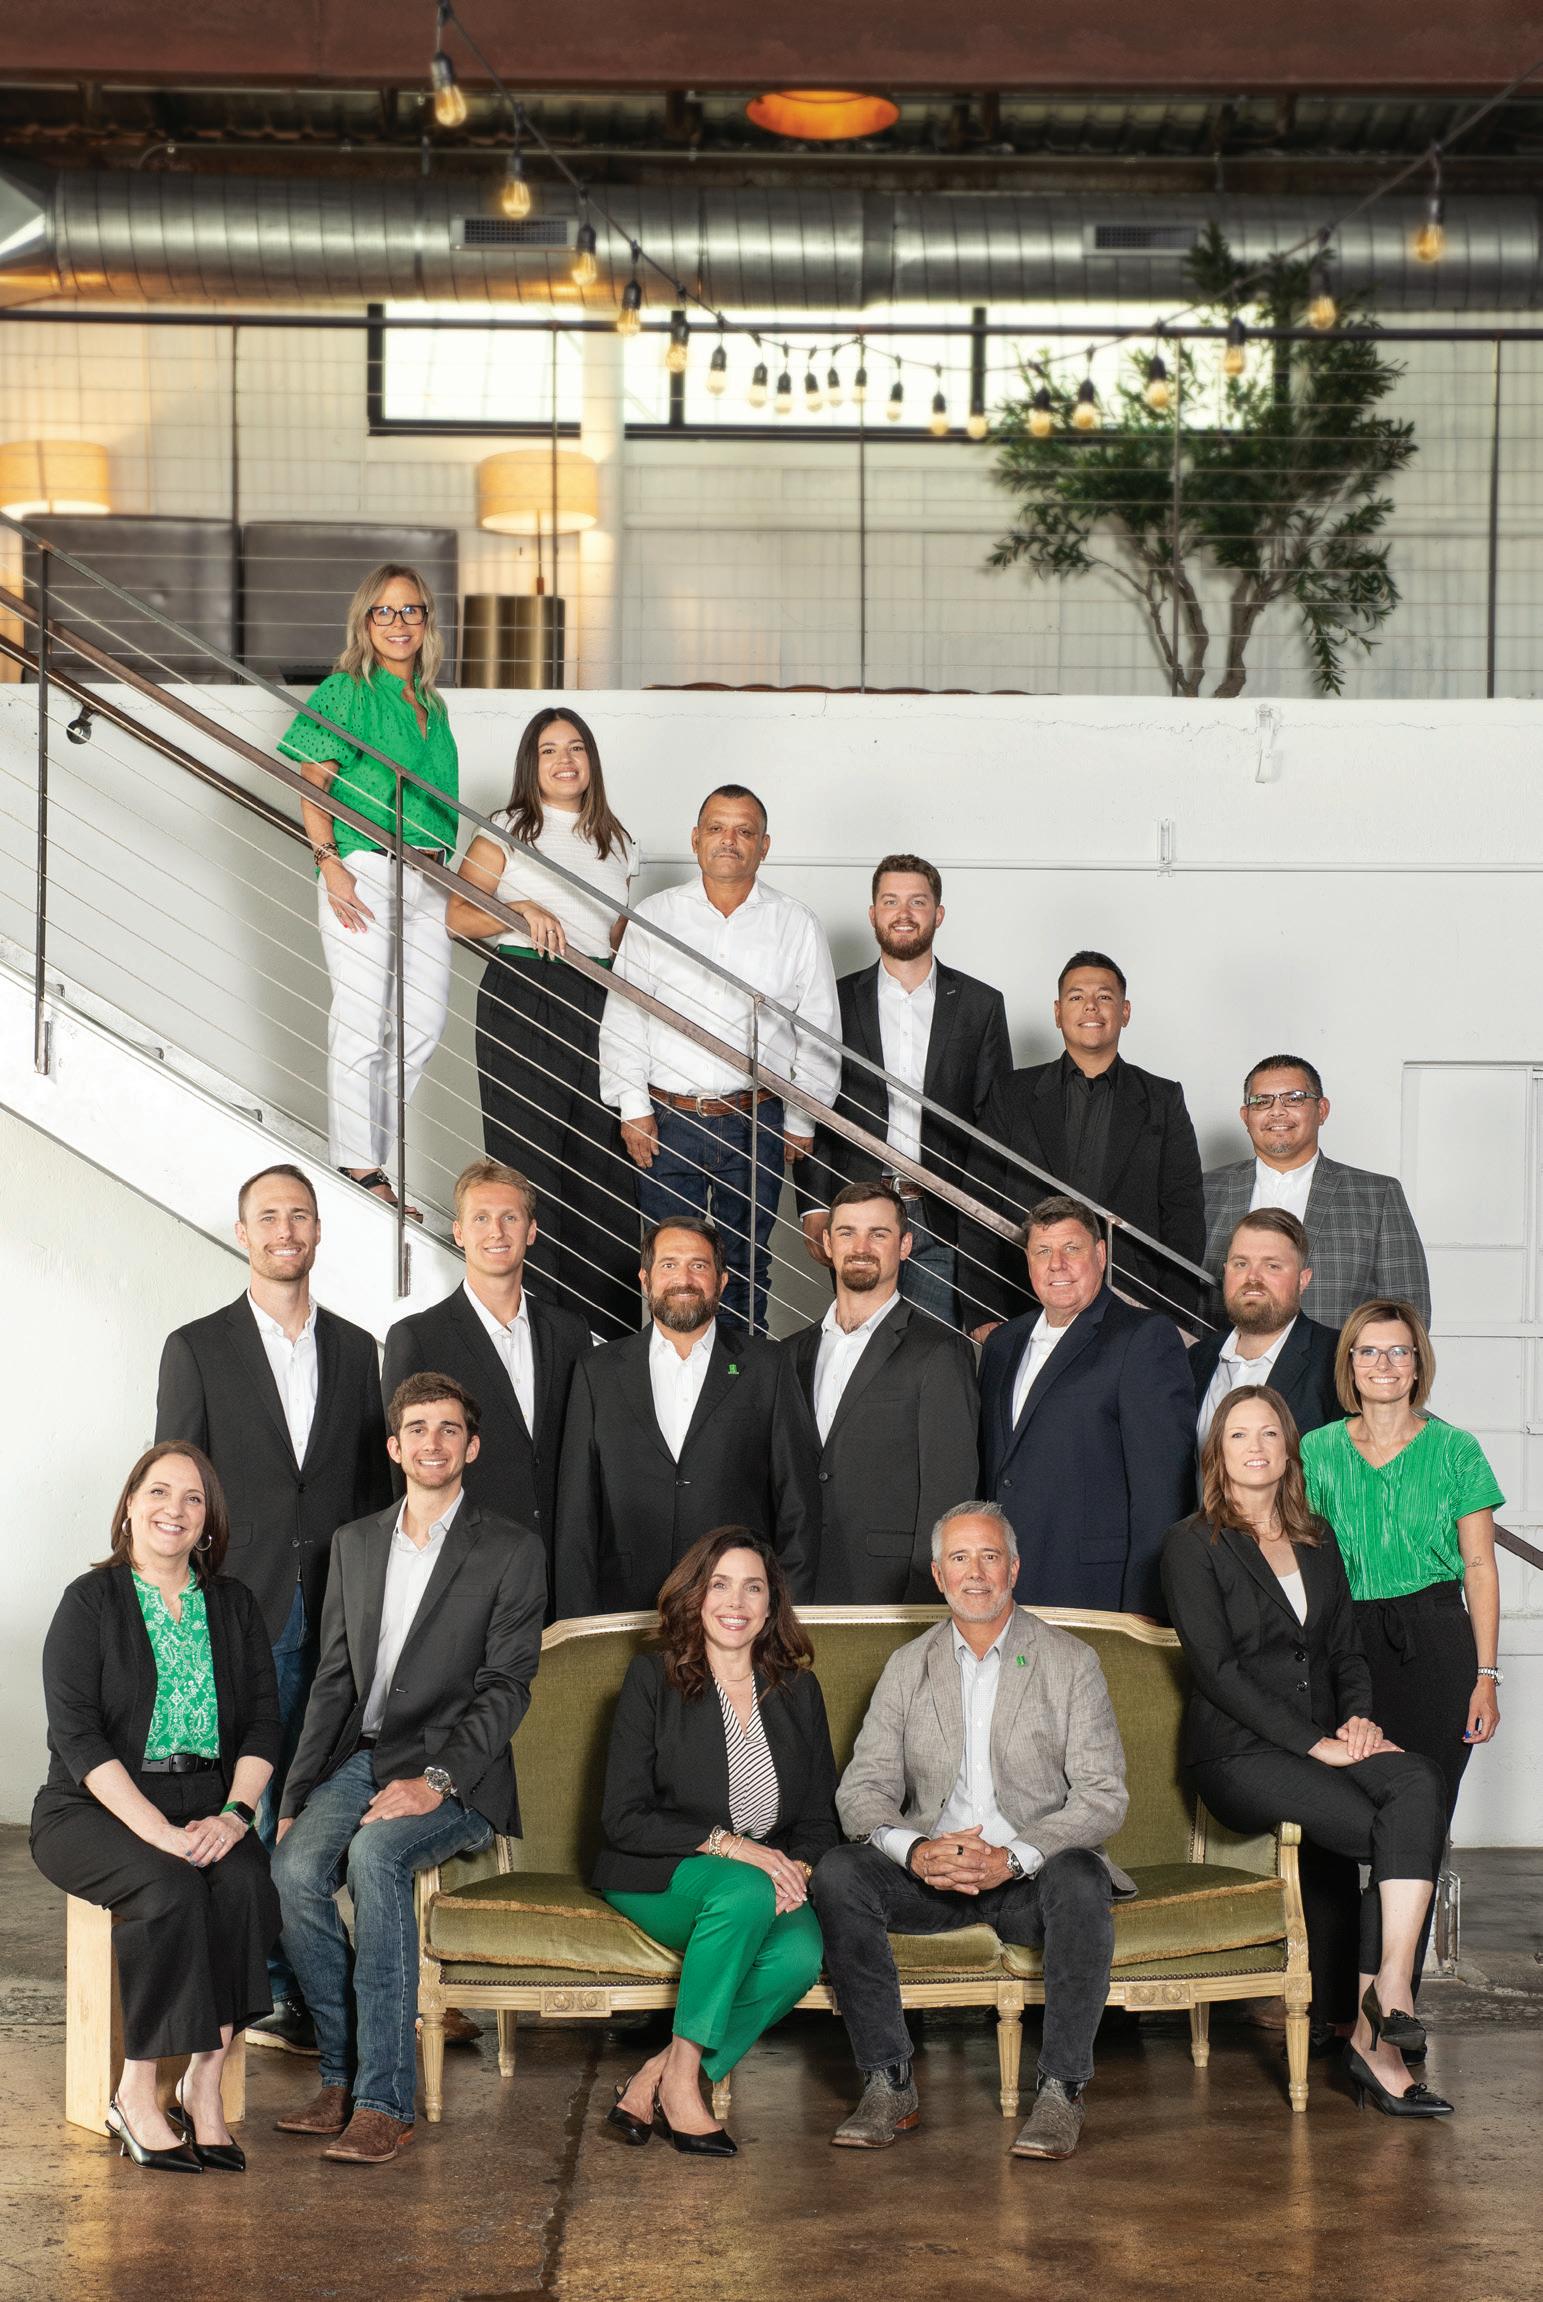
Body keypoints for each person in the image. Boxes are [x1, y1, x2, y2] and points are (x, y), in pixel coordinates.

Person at [271, 1373, 545, 2166]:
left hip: (460, 1770)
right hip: (362, 1757)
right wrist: (293, 1797)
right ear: (394, 1447)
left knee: (374, 1856)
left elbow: (506, 1687)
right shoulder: (355, 1544)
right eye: (417, 1429)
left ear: (472, 1447)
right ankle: (342, 2075)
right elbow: (332, 1681)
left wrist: (436, 1781)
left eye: (449, 1429)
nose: (433, 1442)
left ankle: (383, 2103)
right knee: (291, 1870)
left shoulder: (510, 1549)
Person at [1163, 1388, 1454, 2116]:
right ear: (1217, 1452)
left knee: (1419, 1781)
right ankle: (1378, 2047)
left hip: (1326, 1734)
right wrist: (1313, 1742)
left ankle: (1388, 1995)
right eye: (1238, 1435)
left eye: (1269, 1433)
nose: (1255, 1447)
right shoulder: (1191, 1544)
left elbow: (1346, 1650)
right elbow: (1217, 1672)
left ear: (1288, 1448)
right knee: (1386, 1832)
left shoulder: (1317, 1537)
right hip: (1237, 1753)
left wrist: (1356, 1722)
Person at [812, 1502, 1133, 2162]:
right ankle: (887, 2083)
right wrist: (918, 1852)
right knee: (839, 1872)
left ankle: (1061, 2092)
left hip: (1031, 1880)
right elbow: (861, 1792)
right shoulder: (908, 1666)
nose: (975, 1572)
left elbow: (1103, 1796)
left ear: (1013, 1568)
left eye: (990, 1556)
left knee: (1081, 1874)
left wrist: (1012, 1858)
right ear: (939, 1575)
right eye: (959, 1558)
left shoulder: (1070, 1661)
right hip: (932, 1876)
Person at [155, 1162, 391, 2052]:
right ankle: (272, 1989)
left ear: (319, 1231)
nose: (285, 1230)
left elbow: (374, 1498)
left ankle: (310, 1984)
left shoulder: (359, 1350)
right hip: (241, 1607)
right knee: (247, 1798)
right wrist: (183, 1611)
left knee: (314, 1799)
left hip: (338, 1613)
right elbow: (176, 1488)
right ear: (242, 1233)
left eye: (300, 1214)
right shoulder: (196, 1347)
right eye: (268, 1216)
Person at [31, 1443, 281, 2171]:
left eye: (193, 1498)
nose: (175, 1509)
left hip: (208, 1802)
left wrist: (235, 1815)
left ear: (208, 1520)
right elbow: (77, 1737)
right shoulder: (90, 1601)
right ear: (130, 1507)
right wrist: (159, 1834)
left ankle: (204, 2081)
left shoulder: (232, 1605)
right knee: (172, 1888)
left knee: (245, 1885)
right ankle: (136, 2092)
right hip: (91, 1807)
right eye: (159, 1492)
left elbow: (264, 1725)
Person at [596, 1530, 838, 2157]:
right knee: (743, 1890)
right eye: (720, 1585)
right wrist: (732, 1848)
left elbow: (819, 1817)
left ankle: (657, 2075)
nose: (736, 1602)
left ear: (770, 1603)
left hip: (761, 1882)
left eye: (752, 1588)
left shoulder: (798, 1691)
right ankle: (683, 2089)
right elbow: (623, 1818)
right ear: (696, 1597)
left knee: (799, 1956)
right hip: (658, 1871)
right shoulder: (652, 1679)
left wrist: (795, 1874)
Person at [1301, 1300, 1502, 1991]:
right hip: (1341, 1642)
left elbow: (1479, 1567)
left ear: (1418, 1366)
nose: (1383, 1364)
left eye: (1398, 1351)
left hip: (1435, 1644)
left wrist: (1485, 1675)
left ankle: (1388, 2007)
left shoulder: (1456, 1451)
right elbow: (1298, 1563)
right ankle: (1332, 2006)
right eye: (1368, 1351)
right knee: (1334, 1823)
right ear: (1349, 1365)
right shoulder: (1316, 1451)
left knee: (1418, 1829)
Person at [598, 784, 841, 1334]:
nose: (729, 840)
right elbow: (625, 1018)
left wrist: (802, 1119)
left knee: (746, 1266)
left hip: (758, 1119)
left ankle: (736, 1378)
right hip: (666, 1121)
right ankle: (672, 1374)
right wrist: (632, 1106)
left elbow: (820, 1028)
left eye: (744, 831)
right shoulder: (655, 916)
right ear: (695, 839)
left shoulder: (795, 923)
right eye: (716, 828)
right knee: (669, 1266)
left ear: (764, 845)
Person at [445, 708, 641, 1337]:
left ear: (591, 760)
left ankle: (607, 1342)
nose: (564, 760)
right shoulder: (507, 826)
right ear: (531, 762)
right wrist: (518, 909)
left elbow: (616, 936)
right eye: (550, 749)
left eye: (576, 747)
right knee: (528, 1165)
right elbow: (456, 915)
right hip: (524, 991)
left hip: (600, 999)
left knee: (605, 1171)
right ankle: (540, 1334)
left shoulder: (618, 840)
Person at [278, 562, 460, 1210]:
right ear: (365, 621)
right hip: (365, 869)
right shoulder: (347, 689)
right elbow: (313, 781)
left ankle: (373, 1157)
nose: (398, 622)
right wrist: (329, 863)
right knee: (361, 1018)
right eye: (385, 610)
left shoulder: (432, 705)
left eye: (411, 610)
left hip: (429, 878)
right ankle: (362, 1168)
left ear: (427, 621)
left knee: (422, 1026)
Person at [554, 1220, 819, 1617]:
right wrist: (577, 1624)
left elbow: (798, 1502)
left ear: (721, 1281)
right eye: (669, 1265)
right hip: (623, 1609)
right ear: (645, 1279)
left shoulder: (768, 1366)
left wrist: (784, 1613)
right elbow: (576, 1511)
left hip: (736, 1612)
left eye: (698, 1265)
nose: (684, 1279)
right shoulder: (597, 1370)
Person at [795, 854, 1011, 1328]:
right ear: (873, 914)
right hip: (857, 1209)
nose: (904, 913)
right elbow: (813, 1100)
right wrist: (813, 1203)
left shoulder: (980, 1006)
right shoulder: (835, 999)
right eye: (891, 901)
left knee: (936, 1350)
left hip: (945, 1216)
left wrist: (982, 1221)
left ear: (939, 913)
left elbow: (994, 1125)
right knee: (862, 1346)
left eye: (918, 901)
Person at [383, 1160, 592, 1610]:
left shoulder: (570, 1332)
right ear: (459, 1232)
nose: (496, 1231)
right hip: (464, 1575)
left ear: (531, 1231)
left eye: (509, 1217)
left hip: (560, 1574)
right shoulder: (417, 1338)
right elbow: (402, 1474)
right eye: (481, 1218)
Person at [977, 1195, 1194, 1617]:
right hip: (1005, 1591)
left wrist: (1144, 1608)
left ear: (1100, 1254)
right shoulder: (1003, 1343)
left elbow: (1162, 1490)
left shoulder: (1143, 1337)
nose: (1056, 1264)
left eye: (1071, 1249)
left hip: (1096, 1592)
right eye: (1043, 1251)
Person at [968, 950, 1205, 1330]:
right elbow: (979, 1198)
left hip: (1133, 1302)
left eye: (1104, 996)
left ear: (1125, 1012)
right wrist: (982, 1310)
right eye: (1076, 996)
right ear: (1057, 1012)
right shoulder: (1010, 1094)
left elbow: (1184, 1216)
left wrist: (1173, 1320)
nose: (1091, 1006)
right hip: (1022, 1300)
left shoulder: (1163, 1099)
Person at [787, 1183, 980, 1601]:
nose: (861, 1248)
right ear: (827, 1243)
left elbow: (949, 1491)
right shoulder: (788, 1354)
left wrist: (925, 1598)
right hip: (793, 1586)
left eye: (878, 1234)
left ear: (905, 1245)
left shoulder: (940, 1351)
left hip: (890, 1591)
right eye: (847, 1233)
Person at [1203, 1056, 1432, 1329]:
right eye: (1262, 1101)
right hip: (1224, 1355)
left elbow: (1408, 1314)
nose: (1277, 1111)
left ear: (1322, 1110)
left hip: (1335, 1356)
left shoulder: (1377, 1196)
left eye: (1293, 1099)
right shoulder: (1206, 1191)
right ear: (1246, 1116)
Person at [1189, 1210, 1340, 1448]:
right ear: (1226, 1272)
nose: (1252, 1277)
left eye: (1272, 1266)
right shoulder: (1196, 1358)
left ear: (1303, 1280)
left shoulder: (1337, 1359)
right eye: (1241, 1264)